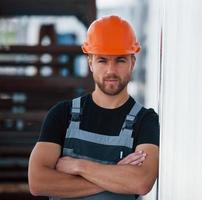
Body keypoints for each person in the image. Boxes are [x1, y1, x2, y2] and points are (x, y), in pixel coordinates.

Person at [28, 15, 159, 200]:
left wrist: (78, 166)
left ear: (133, 63)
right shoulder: (61, 114)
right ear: (90, 63)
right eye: (102, 60)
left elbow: (140, 182)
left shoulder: (146, 121)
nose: (111, 70)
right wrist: (117, 175)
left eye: (120, 60)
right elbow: (38, 182)